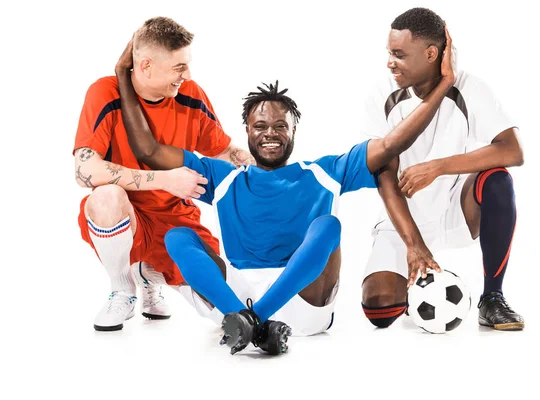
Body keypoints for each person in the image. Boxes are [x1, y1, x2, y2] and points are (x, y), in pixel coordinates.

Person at [114, 26, 457, 355]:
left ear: (294, 129)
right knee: (177, 237)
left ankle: (251, 321)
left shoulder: (324, 172)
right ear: (247, 130)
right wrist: (122, 75)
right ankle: (253, 324)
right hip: (234, 297)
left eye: (281, 126)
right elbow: (149, 150)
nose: (270, 133)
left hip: (302, 300)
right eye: (260, 126)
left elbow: (391, 143)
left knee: (329, 226)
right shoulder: (223, 176)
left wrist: (444, 85)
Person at [73, 17, 254, 332]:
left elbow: (223, 149)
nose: (187, 75)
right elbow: (84, 170)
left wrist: (258, 168)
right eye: (179, 67)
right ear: (145, 66)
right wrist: (165, 180)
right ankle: (123, 287)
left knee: (233, 306)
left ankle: (150, 274)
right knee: (105, 197)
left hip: (177, 221)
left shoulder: (191, 94)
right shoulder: (104, 91)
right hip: (130, 217)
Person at [360, 8, 525, 331]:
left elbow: (513, 150)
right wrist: (413, 244)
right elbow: (384, 176)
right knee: (379, 310)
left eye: (399, 54)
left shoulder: (470, 88)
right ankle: (423, 289)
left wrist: (437, 167)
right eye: (389, 53)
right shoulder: (382, 95)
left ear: (431, 53)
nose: (389, 62)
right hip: (402, 218)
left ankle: (492, 297)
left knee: (498, 179)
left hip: (454, 211)